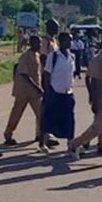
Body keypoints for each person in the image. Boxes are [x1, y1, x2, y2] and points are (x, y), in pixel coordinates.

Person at [69, 34, 102, 166]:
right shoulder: (98, 60)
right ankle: (75, 144)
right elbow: (94, 81)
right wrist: (94, 100)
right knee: (97, 128)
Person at [3, 35, 45, 149]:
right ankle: (8, 134)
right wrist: (37, 87)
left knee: (41, 113)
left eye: (40, 43)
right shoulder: (25, 56)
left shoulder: (37, 55)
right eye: (37, 43)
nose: (40, 45)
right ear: (31, 43)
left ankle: (41, 136)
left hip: (34, 92)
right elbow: (24, 74)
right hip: (23, 90)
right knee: (16, 113)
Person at [40, 32, 76, 151]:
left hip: (67, 92)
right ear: (60, 41)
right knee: (48, 118)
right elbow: (47, 74)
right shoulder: (53, 56)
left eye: (70, 40)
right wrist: (48, 91)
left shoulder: (72, 56)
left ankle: (70, 143)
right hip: (54, 92)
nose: (70, 43)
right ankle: (42, 143)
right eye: (67, 40)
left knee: (69, 119)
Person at [39, 19, 61, 148]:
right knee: (47, 106)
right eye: (55, 27)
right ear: (49, 27)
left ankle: (45, 134)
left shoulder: (54, 41)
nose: (57, 30)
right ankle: (45, 136)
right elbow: (43, 57)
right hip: (47, 76)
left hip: (54, 76)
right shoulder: (45, 41)